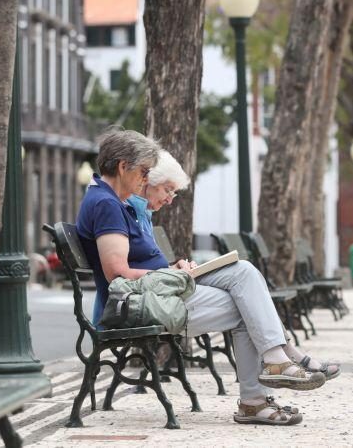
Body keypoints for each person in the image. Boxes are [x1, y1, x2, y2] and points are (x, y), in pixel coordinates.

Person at [76, 128, 337, 426]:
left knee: (243, 272)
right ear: (123, 166)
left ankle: (276, 359)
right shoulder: (106, 204)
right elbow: (118, 273)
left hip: (159, 292)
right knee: (245, 307)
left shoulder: (114, 203)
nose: (146, 178)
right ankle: (262, 388)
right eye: (143, 171)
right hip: (140, 306)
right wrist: (171, 272)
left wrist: (175, 271)